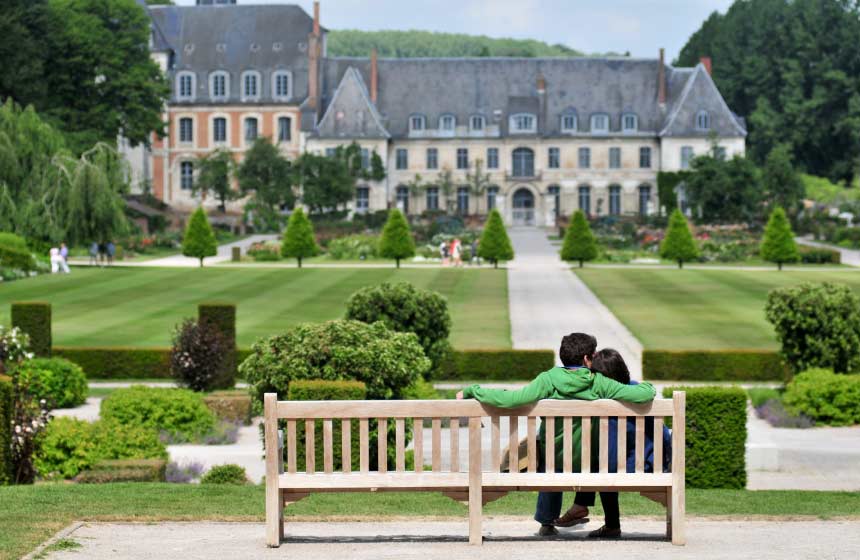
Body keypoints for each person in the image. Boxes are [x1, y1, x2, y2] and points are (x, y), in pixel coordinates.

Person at [456, 333, 656, 538]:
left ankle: (547, 521)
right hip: (589, 463)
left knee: (546, 454)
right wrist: (648, 386)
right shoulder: (599, 383)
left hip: (555, 460)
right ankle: (585, 510)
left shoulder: (548, 379)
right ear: (587, 359)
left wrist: (474, 390)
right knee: (588, 454)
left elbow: (511, 399)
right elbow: (644, 394)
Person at [554, 348, 672, 539]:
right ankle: (582, 507)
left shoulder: (609, 405)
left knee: (601, 466)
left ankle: (607, 523)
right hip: (656, 463)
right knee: (603, 464)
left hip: (634, 467)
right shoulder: (637, 390)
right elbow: (665, 436)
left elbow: (610, 455)